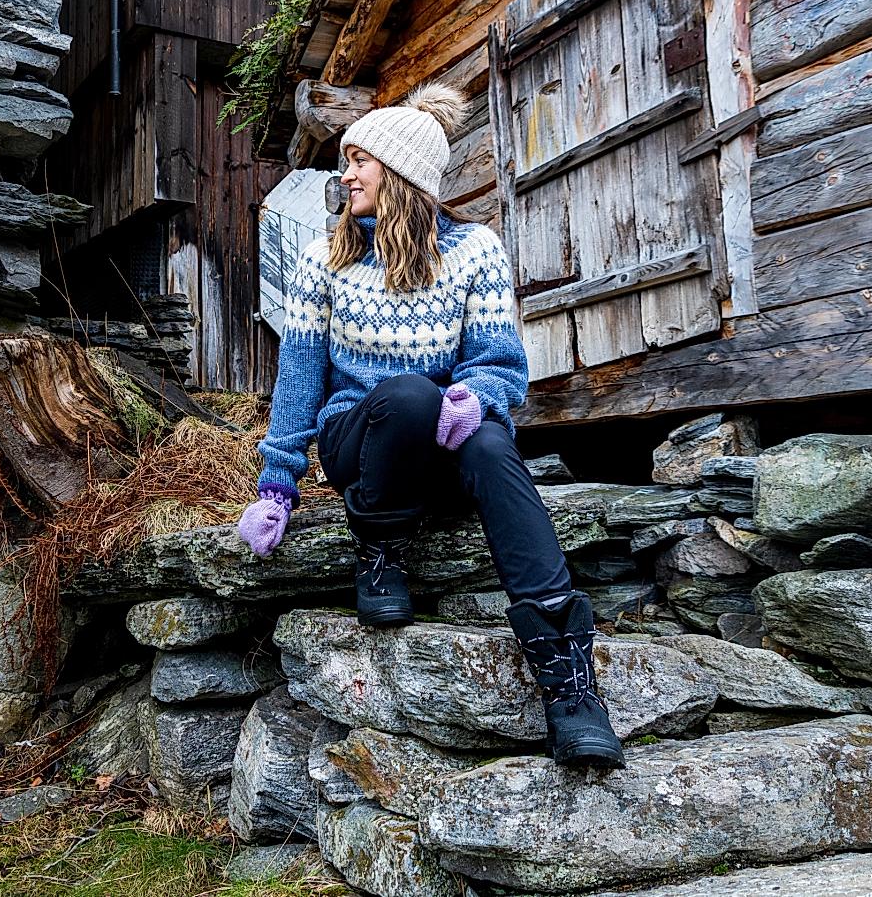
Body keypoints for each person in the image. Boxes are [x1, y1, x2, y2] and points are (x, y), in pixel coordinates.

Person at [235, 83, 623, 769]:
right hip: (361, 443)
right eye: (344, 161)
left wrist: (474, 399)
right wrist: (277, 487)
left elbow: (500, 365)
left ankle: (569, 685)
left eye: (359, 161)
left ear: (403, 175)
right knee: (412, 395)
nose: (345, 175)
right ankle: (379, 549)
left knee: (493, 440)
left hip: (440, 446)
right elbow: (298, 383)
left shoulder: (474, 251)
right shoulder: (324, 262)